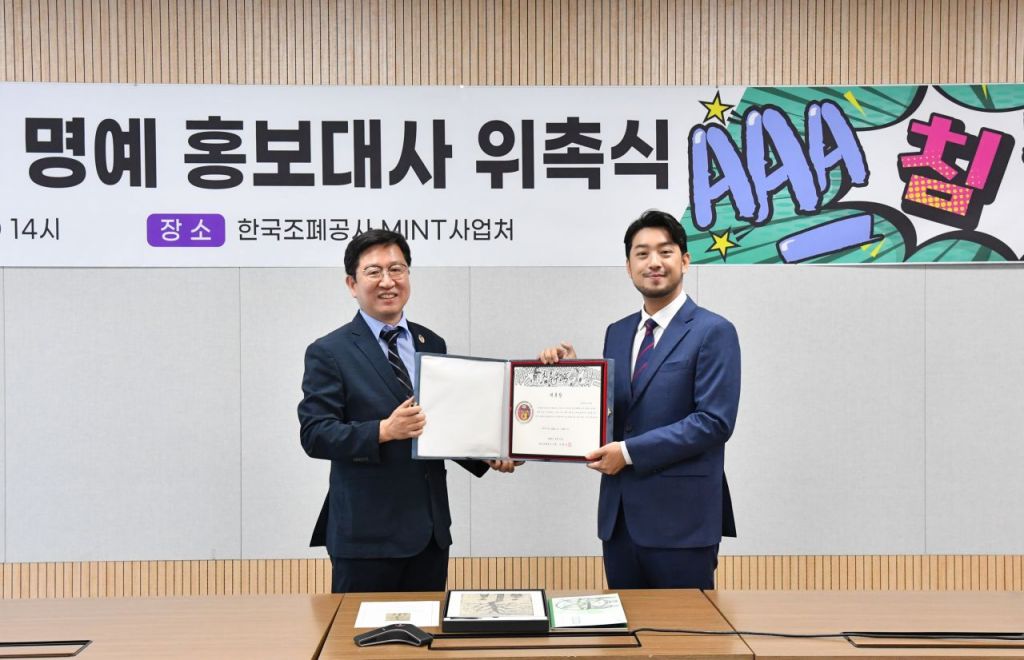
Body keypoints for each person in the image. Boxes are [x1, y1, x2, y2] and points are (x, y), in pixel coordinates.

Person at [299, 229, 516, 593]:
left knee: (427, 627)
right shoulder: (329, 351)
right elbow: (315, 434)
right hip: (365, 536)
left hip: (429, 533)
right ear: (352, 284)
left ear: (408, 275)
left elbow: (441, 423)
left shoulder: (431, 342)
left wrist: (487, 452)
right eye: (374, 272)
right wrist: (383, 430)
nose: (388, 281)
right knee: (360, 630)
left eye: (396, 269)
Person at [540, 210, 740, 589]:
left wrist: (628, 453)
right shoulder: (617, 332)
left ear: (685, 260)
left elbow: (714, 422)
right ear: (629, 266)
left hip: (683, 521)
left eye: (665, 251)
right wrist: (571, 377)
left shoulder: (713, 331)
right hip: (620, 521)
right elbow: (614, 413)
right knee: (624, 625)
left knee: (684, 627)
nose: (654, 262)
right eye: (642, 253)